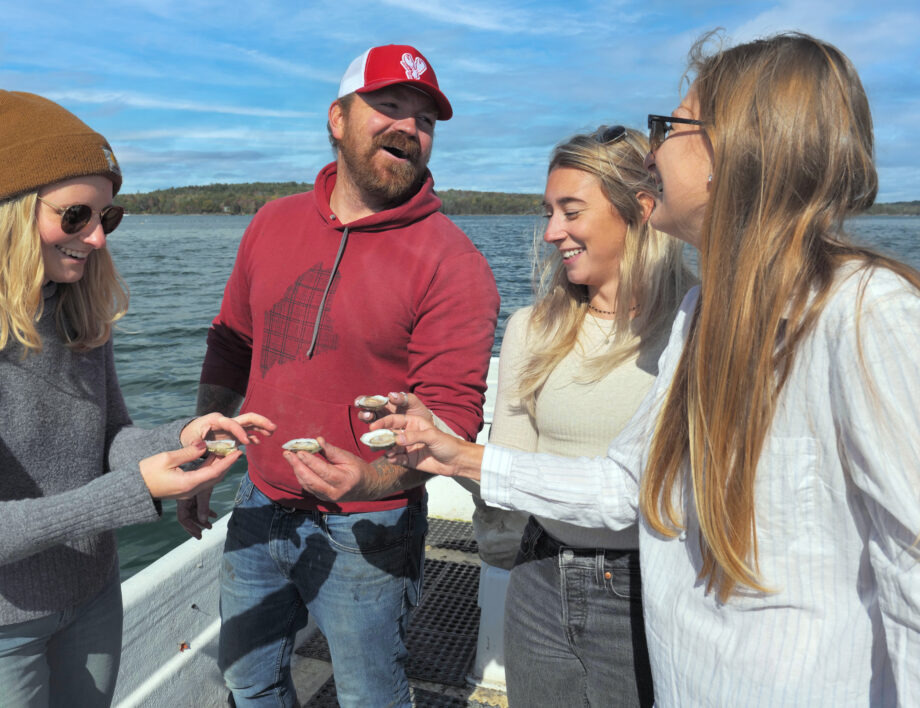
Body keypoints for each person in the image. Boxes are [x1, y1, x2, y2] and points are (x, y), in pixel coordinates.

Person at [292, 33, 920, 706]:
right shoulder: (704, 313)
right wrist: (457, 456)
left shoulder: (867, 315)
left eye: (670, 129)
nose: (650, 153)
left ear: (738, 148)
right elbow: (629, 485)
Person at [0, 90, 275, 707]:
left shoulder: (76, 310)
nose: (96, 238)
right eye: (76, 216)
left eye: (108, 217)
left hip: (92, 596)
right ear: (12, 211)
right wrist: (138, 490)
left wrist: (183, 438)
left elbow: (108, 442)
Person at [181, 45, 499, 706]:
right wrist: (207, 450)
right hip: (259, 499)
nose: (409, 129)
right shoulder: (273, 221)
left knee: (369, 693)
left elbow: (450, 423)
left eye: (425, 120)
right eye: (388, 107)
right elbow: (233, 341)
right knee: (247, 676)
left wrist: (369, 477)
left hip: (369, 526)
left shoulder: (454, 262)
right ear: (337, 119)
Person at [476, 126, 694, 707]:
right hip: (540, 576)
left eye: (570, 211)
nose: (551, 233)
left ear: (640, 209)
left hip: (652, 587)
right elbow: (511, 475)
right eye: (549, 212)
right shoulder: (532, 328)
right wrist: (429, 448)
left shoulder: (697, 325)